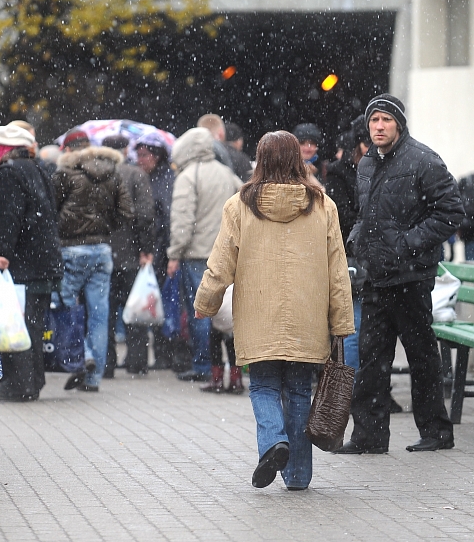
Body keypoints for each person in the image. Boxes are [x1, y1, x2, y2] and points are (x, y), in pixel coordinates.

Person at [194, 130, 354, 490]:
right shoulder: (323, 205)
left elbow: (221, 263)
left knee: (263, 385)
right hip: (307, 317)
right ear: (299, 160)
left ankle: (273, 443)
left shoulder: (240, 205)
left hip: (257, 315)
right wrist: (342, 321)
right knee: (298, 391)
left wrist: (206, 302)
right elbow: (337, 270)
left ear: (260, 160)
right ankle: (297, 476)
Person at [336, 93, 463, 455]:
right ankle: (369, 437)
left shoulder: (423, 160)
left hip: (411, 277)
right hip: (376, 277)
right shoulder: (366, 165)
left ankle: (437, 432)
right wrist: (358, 236)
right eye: (374, 120)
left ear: (399, 124)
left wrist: (409, 243)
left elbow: (451, 212)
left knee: (421, 356)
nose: (379, 126)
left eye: (386, 120)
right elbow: (367, 213)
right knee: (371, 360)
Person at [0, 124, 63, 401]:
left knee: (15, 323)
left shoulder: (7, 173)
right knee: (33, 325)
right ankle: (34, 381)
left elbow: (7, 215)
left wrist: (1, 251)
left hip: (20, 265)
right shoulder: (38, 169)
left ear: (2, 147)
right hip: (42, 263)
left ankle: (19, 384)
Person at [53, 146, 133, 392]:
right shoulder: (114, 174)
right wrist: (106, 226)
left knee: (64, 306)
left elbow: (50, 209)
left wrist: (63, 227)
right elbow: (127, 212)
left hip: (71, 249)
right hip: (102, 249)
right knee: (99, 315)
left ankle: (81, 355)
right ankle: (93, 378)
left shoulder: (66, 173)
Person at [167, 127, 242, 382]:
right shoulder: (227, 173)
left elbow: (182, 220)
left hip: (197, 254)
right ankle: (232, 371)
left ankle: (204, 366)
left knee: (200, 311)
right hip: (228, 252)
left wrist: (174, 253)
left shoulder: (188, 176)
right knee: (228, 311)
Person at [101, 135, 155, 376]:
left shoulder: (94, 174)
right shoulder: (136, 175)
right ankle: (137, 362)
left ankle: (107, 362)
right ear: (125, 149)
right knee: (135, 311)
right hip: (131, 254)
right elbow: (145, 215)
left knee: (104, 312)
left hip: (102, 253)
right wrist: (145, 249)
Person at [134, 134, 185, 372]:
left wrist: (163, 251)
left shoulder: (164, 179)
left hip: (162, 250)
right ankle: (164, 353)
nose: (139, 159)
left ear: (157, 155)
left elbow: (165, 218)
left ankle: (167, 354)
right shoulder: (154, 177)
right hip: (159, 248)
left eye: (144, 154)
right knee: (159, 301)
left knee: (164, 301)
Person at [292, 123, 324, 188]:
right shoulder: (287, 168)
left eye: (311, 143)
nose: (307, 148)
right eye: (302, 143)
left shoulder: (326, 169)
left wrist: (309, 176)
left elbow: (326, 196)